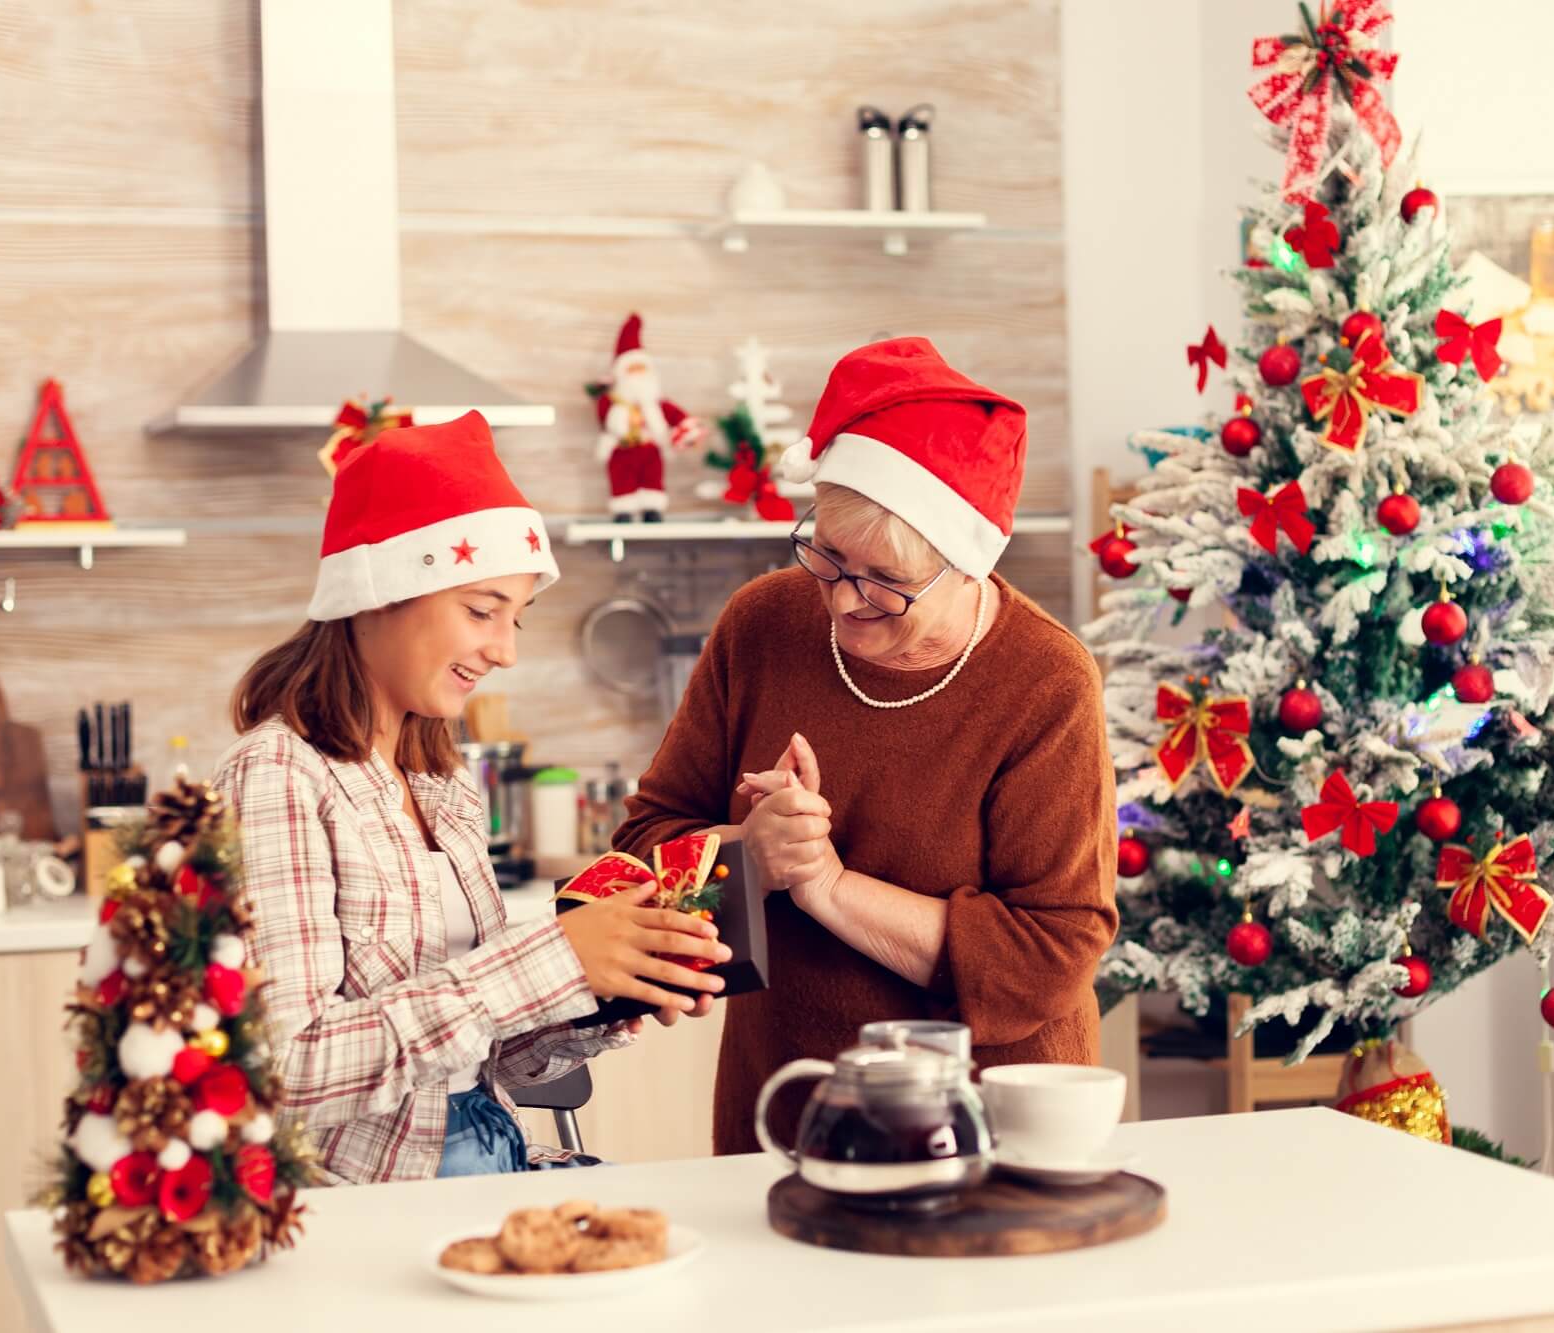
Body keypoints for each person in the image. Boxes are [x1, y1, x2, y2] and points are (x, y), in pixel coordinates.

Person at [612, 338, 1119, 1154]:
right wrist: (750, 854)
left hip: (983, 1132)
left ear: (966, 563)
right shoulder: (762, 624)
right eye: (829, 557)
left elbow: (1049, 956)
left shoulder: (1047, 681)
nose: (843, 601)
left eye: (884, 580)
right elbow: (639, 854)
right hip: (784, 1115)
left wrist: (826, 884)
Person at [217, 411, 728, 1183]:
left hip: (490, 1148)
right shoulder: (280, 775)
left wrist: (601, 987)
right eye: (482, 610)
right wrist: (550, 958)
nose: (506, 650)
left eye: (515, 618)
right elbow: (286, 1070)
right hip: (366, 1199)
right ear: (379, 590)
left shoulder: (442, 782)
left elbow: (475, 1053)